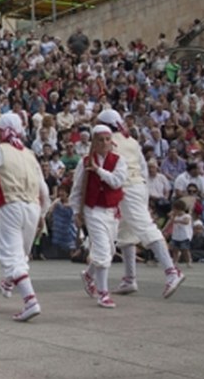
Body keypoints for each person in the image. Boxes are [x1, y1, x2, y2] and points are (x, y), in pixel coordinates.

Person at [96, 110, 185, 298]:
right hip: (136, 187)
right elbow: (143, 169)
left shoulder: (108, 142)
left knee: (146, 228)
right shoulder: (132, 141)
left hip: (126, 188)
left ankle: (171, 271)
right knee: (126, 233)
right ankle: (129, 278)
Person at [0, 114, 50, 322]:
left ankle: (30, 300)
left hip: (11, 205)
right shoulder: (30, 154)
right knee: (21, 254)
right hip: (32, 207)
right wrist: (43, 212)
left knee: (11, 254)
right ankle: (8, 282)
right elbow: (43, 188)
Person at [69, 124, 127, 309]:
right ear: (94, 142)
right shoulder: (84, 162)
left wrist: (99, 171)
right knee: (102, 251)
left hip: (111, 211)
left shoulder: (119, 161)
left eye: (107, 140)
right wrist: (76, 212)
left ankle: (88, 275)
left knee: (109, 251)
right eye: (100, 140)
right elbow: (77, 188)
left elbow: (117, 182)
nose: (104, 143)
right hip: (92, 210)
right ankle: (103, 293)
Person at [168, 200, 192, 269]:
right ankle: (175, 262)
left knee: (185, 250)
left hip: (184, 236)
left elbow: (186, 222)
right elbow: (170, 222)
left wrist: (177, 221)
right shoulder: (175, 216)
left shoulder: (186, 216)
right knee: (175, 250)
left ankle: (188, 261)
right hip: (175, 236)